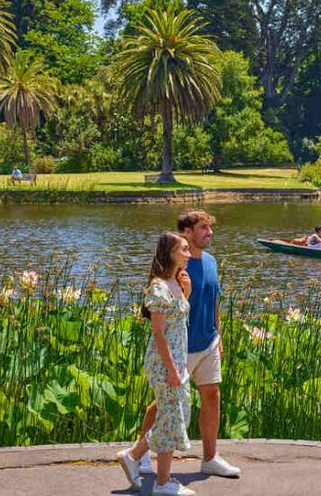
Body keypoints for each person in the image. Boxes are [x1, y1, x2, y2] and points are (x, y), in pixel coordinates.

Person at [120, 210, 241, 489]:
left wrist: (218, 335)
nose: (209, 233)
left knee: (211, 395)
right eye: (203, 228)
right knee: (166, 404)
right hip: (180, 348)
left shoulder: (210, 262)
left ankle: (210, 457)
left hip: (208, 340)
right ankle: (142, 455)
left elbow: (214, 301)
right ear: (186, 232)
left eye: (210, 228)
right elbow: (163, 319)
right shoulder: (175, 271)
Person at [117, 232, 195, 496]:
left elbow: (179, 321)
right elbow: (159, 334)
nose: (188, 252)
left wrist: (187, 292)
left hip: (177, 360)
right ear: (171, 253)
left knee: (176, 413)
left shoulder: (176, 282)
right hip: (164, 363)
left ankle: (134, 455)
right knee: (171, 417)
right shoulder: (159, 287)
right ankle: (162, 484)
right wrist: (172, 369)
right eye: (183, 248)